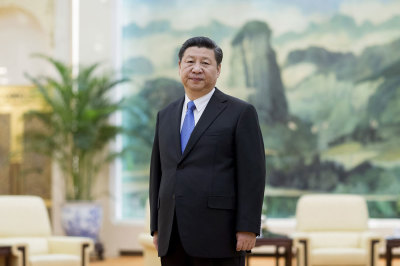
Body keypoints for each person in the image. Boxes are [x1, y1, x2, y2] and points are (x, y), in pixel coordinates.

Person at [149, 36, 266, 266]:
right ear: (180, 67)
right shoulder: (166, 115)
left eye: (205, 63)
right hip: (172, 234)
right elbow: (158, 173)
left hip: (219, 235)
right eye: (190, 61)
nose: (196, 69)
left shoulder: (240, 113)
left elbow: (252, 175)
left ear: (218, 69)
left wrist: (248, 227)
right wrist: (156, 227)